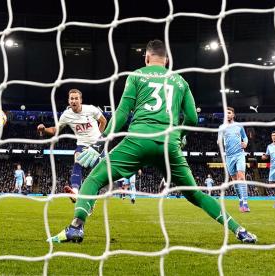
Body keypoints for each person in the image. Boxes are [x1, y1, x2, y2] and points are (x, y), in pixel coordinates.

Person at [47, 39, 257, 244]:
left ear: (146, 57)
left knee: (94, 179)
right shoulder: (180, 81)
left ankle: (76, 227)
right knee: (195, 195)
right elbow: (192, 119)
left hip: (138, 141)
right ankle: (240, 230)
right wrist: (180, 137)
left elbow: (121, 113)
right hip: (169, 146)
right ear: (166, 60)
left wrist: (101, 141)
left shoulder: (137, 75)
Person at [37, 89, 107, 202]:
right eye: (71, 99)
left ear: (80, 100)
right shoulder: (66, 115)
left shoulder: (91, 109)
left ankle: (91, 201)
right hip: (82, 144)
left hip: (97, 145)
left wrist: (99, 139)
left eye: (76, 98)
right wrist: (44, 129)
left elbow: (103, 121)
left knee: (97, 175)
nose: (74, 101)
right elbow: (55, 130)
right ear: (69, 101)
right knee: (77, 161)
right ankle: (75, 191)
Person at [220, 107, 249, 212]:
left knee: (241, 178)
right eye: (226, 113)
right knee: (235, 182)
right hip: (229, 157)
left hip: (240, 154)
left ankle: (245, 203)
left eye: (229, 113)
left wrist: (245, 143)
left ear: (233, 115)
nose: (227, 115)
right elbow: (219, 140)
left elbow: (245, 137)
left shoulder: (239, 126)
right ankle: (240, 199)